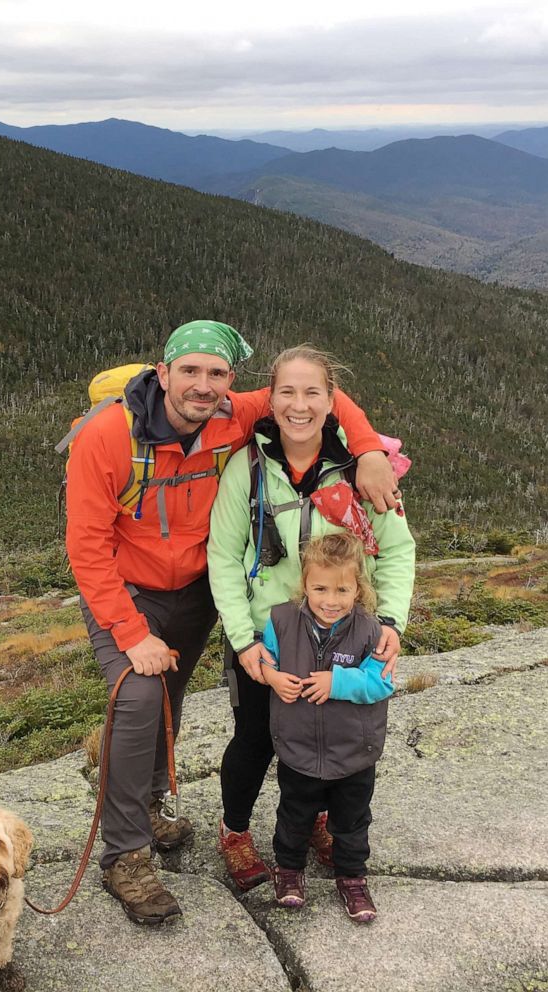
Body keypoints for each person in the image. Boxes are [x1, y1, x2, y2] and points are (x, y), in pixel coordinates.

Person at [64, 322, 398, 926]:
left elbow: (322, 395)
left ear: (231, 384)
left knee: (169, 695)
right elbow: (86, 545)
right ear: (161, 374)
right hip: (128, 588)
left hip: (192, 592)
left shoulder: (231, 413)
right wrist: (131, 632)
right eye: (189, 371)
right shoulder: (109, 437)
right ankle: (125, 854)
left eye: (216, 374)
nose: (203, 385)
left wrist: (369, 449)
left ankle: (147, 806)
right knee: (139, 696)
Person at [207, 344, 415, 892]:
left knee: (335, 728)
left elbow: (397, 549)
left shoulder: (362, 468)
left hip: (346, 627)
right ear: (269, 402)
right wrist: (245, 641)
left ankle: (318, 822)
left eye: (312, 393)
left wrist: (390, 622)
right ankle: (235, 832)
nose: (299, 406)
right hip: (267, 633)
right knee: (255, 737)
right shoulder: (246, 467)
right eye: (287, 393)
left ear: (332, 401)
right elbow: (223, 557)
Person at [261, 531, 403, 922]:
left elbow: (382, 682)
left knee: (353, 821)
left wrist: (337, 682)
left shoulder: (373, 630)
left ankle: (353, 879)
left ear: (358, 587)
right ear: (303, 583)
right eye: (319, 587)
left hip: (354, 753)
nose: (330, 599)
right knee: (293, 815)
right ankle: (288, 872)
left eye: (342, 589)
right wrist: (271, 676)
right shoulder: (280, 620)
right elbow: (265, 659)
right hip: (298, 748)